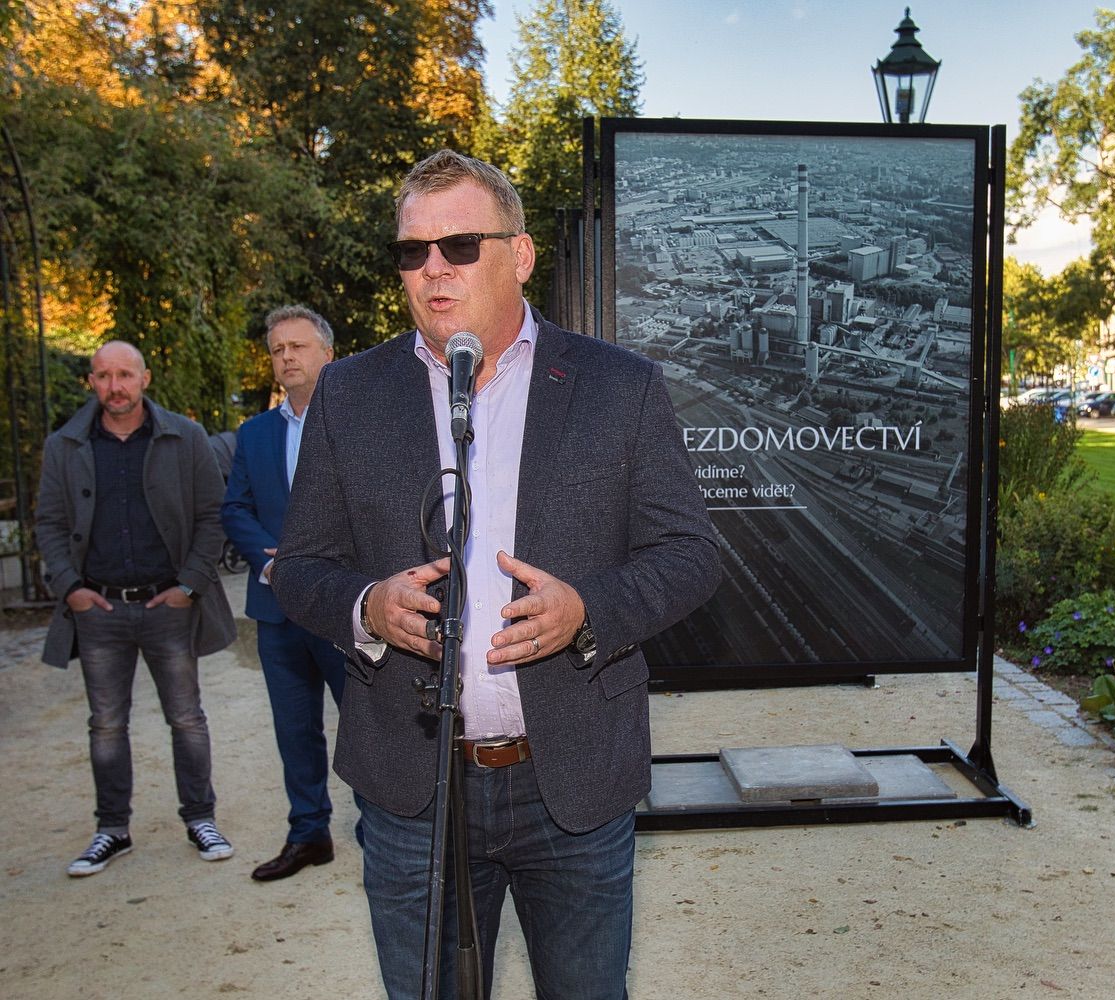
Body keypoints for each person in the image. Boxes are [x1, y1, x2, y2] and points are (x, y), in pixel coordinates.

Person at [272, 149, 720, 999]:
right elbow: (300, 569)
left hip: (575, 783)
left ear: (518, 255)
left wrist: (588, 609)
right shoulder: (349, 394)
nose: (433, 269)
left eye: (459, 246)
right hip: (411, 788)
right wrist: (368, 606)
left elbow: (690, 554)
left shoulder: (620, 387)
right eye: (413, 252)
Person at [36, 340, 238, 876]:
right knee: (105, 724)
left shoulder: (184, 437)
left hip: (169, 604)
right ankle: (112, 830)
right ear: (92, 382)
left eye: (125, 374)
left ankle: (201, 818)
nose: (115, 386)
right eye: (103, 376)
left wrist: (189, 585)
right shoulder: (65, 445)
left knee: (187, 718)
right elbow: (50, 526)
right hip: (97, 608)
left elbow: (213, 516)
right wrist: (71, 589)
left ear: (145, 378)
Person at [221, 305, 346, 881]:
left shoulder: (357, 424)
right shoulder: (254, 434)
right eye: (278, 350)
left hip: (344, 606)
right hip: (275, 611)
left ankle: (382, 822)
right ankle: (308, 833)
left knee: (368, 722)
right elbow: (235, 509)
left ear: (327, 353)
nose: (287, 357)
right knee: (294, 728)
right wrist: (273, 563)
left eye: (298, 346)